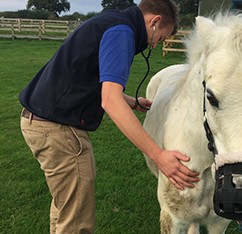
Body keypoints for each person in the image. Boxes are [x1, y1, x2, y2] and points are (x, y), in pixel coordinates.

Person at [19, 0, 199, 233]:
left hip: (41, 122)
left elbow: (93, 80)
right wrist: (158, 155)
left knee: (65, 208)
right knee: (76, 221)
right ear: (154, 22)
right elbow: (110, 100)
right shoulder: (122, 33)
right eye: (160, 38)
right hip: (58, 131)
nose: (154, 45)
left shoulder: (112, 21)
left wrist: (132, 102)